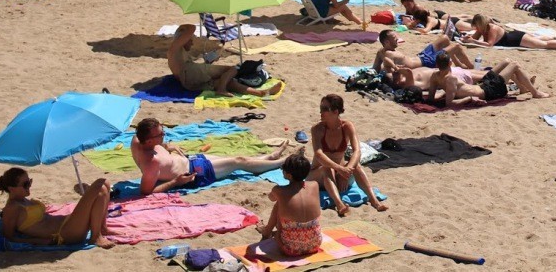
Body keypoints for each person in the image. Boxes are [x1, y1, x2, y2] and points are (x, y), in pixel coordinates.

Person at [131, 117, 291, 196]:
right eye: (161, 134)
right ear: (150, 140)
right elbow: (146, 191)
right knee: (238, 162)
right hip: (195, 173)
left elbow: (156, 145)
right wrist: (175, 182)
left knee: (240, 159)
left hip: (191, 159)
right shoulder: (152, 162)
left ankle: (271, 156)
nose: (164, 135)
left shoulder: (137, 139)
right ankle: (281, 161)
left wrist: (167, 146)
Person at [0, 168, 116, 248]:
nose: (29, 186)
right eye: (25, 184)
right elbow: (8, 237)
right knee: (99, 186)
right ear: (11, 189)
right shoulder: (12, 208)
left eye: (29, 182)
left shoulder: (23, 200)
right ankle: (95, 237)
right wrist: (38, 241)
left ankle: (102, 228)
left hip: (68, 223)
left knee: (105, 183)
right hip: (63, 234)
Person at [310, 94, 388, 215]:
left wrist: (347, 170)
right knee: (327, 168)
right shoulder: (317, 129)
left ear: (336, 111)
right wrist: (340, 169)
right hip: (318, 175)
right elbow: (319, 155)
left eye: (325, 109)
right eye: (321, 108)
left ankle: (374, 201)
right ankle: (339, 204)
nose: (321, 112)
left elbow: (357, 151)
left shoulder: (347, 126)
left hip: (341, 173)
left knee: (356, 166)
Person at [168, 24, 284, 96]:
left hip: (188, 82)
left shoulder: (178, 52)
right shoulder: (175, 47)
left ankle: (261, 93)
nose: (192, 42)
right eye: (190, 40)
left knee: (229, 81)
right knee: (234, 68)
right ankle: (222, 89)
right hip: (190, 73)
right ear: (182, 39)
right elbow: (190, 28)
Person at [422, 51, 549, 106]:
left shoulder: (435, 76)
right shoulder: (451, 79)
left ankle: (522, 88)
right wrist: (469, 98)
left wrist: (441, 93)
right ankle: (535, 93)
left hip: (483, 84)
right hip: (489, 91)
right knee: (514, 65)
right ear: (450, 64)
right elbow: (449, 103)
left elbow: (432, 97)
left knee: (506, 61)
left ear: (437, 65)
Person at [258, 153, 323, 256]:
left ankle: (267, 232)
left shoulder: (279, 190)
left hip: (290, 249)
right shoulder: (314, 185)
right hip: (315, 244)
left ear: (288, 175)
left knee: (279, 202)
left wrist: (278, 193)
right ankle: (268, 231)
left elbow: (271, 198)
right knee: (285, 203)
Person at [463, 13, 556, 51]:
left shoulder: (492, 28)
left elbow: (489, 44)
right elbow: (474, 39)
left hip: (518, 40)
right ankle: (553, 39)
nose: (476, 29)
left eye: (476, 27)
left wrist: (473, 41)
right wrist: (467, 39)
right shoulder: (482, 29)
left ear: (480, 24)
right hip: (515, 35)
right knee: (538, 40)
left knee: (544, 45)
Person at [375, 27, 473, 71]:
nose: (397, 38)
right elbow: (386, 63)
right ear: (387, 42)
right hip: (427, 62)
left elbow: (375, 67)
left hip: (422, 55)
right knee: (456, 46)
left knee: (445, 38)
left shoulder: (381, 51)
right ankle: (472, 67)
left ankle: (458, 64)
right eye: (394, 37)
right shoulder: (388, 54)